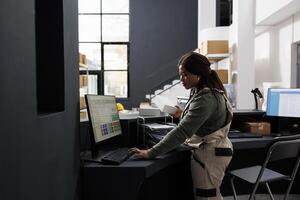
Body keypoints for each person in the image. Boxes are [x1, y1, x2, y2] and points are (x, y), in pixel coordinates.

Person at [129, 52, 233, 200]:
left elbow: (182, 132)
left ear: (198, 74)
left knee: (207, 197)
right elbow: (202, 117)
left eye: (185, 75)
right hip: (210, 151)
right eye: (180, 74)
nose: (181, 79)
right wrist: (182, 113)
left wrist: (151, 153)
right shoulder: (203, 91)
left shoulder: (206, 97)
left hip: (210, 154)